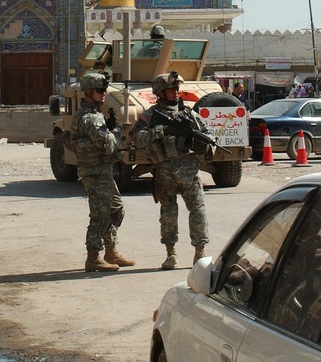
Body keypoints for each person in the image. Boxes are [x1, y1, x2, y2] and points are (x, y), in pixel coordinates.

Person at [134, 71, 214, 270]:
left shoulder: (188, 113)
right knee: (168, 212)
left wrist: (205, 144)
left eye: (177, 89)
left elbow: (205, 133)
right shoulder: (151, 116)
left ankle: (200, 252)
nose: (175, 93)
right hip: (165, 170)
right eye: (171, 89)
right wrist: (160, 131)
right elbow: (136, 138)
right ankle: (171, 254)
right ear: (160, 93)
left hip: (189, 169)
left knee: (198, 210)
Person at [69, 72, 134, 272]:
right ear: (88, 92)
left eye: (104, 90)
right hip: (95, 172)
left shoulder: (95, 114)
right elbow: (107, 146)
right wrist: (116, 132)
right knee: (100, 215)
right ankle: (93, 256)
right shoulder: (90, 118)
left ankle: (111, 250)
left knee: (115, 209)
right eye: (99, 91)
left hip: (102, 171)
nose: (103, 94)